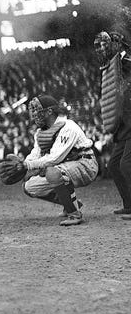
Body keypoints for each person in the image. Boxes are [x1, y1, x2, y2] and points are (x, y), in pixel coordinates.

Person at [22, 95, 99, 226]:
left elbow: (54, 158)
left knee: (53, 172)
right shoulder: (41, 132)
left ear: (49, 111)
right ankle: (71, 203)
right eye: (33, 110)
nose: (34, 114)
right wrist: (21, 164)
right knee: (29, 187)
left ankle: (74, 214)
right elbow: (35, 154)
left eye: (37, 110)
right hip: (64, 166)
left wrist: (28, 165)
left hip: (85, 164)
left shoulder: (68, 126)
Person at [94, 31, 131, 219]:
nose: (102, 49)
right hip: (123, 127)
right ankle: (128, 205)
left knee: (126, 164)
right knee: (114, 165)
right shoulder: (111, 67)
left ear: (118, 44)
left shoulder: (126, 62)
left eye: (105, 44)